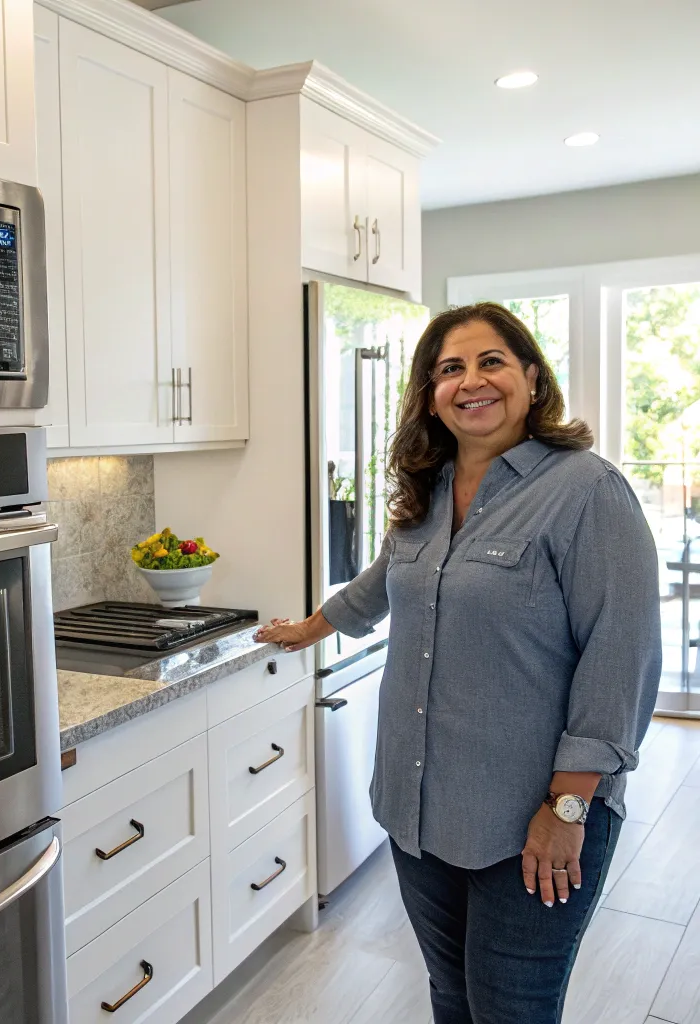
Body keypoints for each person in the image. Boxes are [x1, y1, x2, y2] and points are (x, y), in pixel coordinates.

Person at [256, 302, 661, 1024]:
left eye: (491, 361)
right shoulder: (428, 489)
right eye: (450, 369)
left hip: (532, 819)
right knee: (451, 997)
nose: (470, 381)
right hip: (418, 811)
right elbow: (386, 578)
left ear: (531, 378)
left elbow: (621, 656)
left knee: (512, 1009)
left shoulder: (585, 490)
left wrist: (568, 808)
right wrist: (311, 628)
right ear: (431, 394)